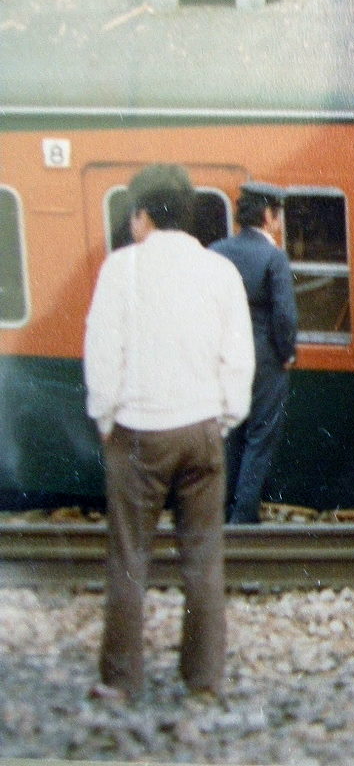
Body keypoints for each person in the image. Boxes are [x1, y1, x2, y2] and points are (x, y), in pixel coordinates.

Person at [83, 163, 254, 703]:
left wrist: (105, 416)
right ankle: (202, 681)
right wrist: (224, 416)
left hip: (138, 430)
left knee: (129, 558)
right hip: (203, 429)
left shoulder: (121, 269)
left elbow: (103, 352)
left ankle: (122, 681)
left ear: (140, 216)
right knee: (204, 560)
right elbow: (238, 356)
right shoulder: (220, 270)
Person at [209, 181, 298, 524]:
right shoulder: (273, 256)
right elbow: (285, 315)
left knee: (230, 433)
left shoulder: (217, 250)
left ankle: (222, 510)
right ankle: (244, 516)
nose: (279, 222)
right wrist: (287, 352)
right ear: (267, 215)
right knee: (260, 435)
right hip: (264, 357)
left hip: (223, 355)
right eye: (278, 215)